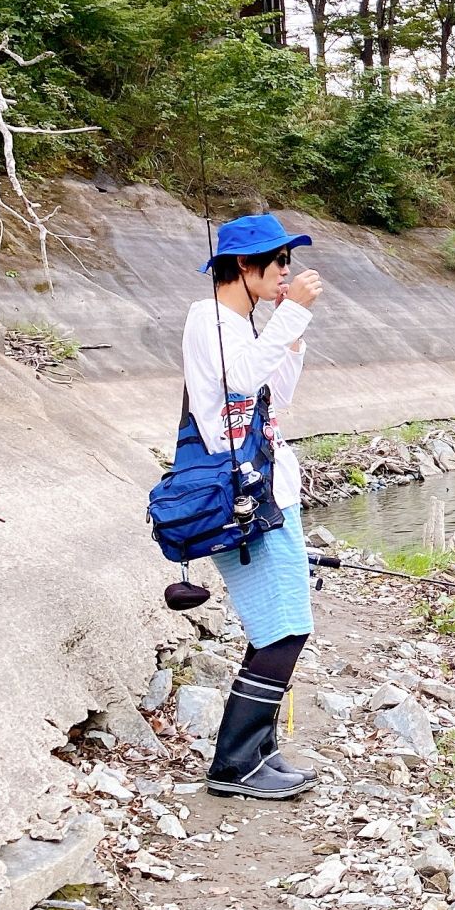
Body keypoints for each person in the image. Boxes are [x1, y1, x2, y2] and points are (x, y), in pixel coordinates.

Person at [183, 212, 327, 800]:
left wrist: (290, 333)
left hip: (266, 490)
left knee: (282, 625)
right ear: (245, 266)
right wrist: (293, 312)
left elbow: (277, 393)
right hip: (238, 496)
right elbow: (240, 380)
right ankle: (233, 765)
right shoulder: (208, 320)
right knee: (284, 630)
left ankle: (259, 753)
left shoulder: (246, 325)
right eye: (279, 262)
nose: (287, 273)